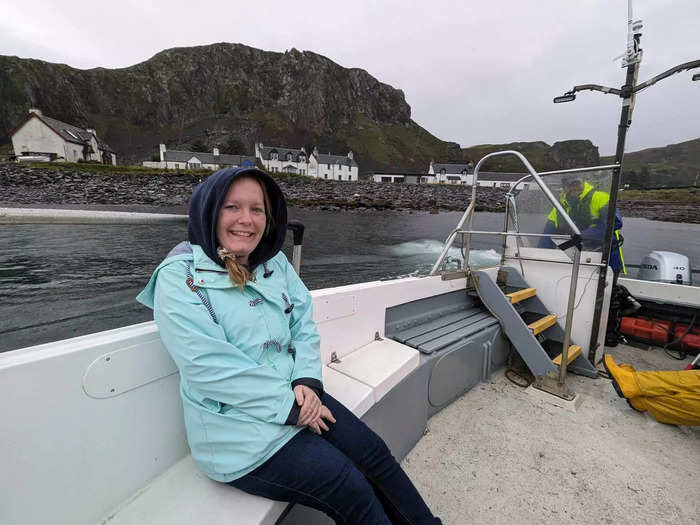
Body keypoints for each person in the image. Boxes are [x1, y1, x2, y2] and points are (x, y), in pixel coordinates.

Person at [136, 166, 441, 524]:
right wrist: (292, 408)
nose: (245, 220)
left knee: (373, 454)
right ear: (210, 210)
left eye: (257, 209)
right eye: (231, 207)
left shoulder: (274, 263)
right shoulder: (180, 280)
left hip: (296, 396)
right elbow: (207, 368)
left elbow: (302, 326)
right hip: (234, 435)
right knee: (349, 486)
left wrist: (307, 382)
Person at [538, 174, 627, 345]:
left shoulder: (600, 198)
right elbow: (547, 234)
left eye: (576, 183)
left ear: (583, 182)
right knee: (580, 294)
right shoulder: (559, 206)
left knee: (607, 296)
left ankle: (608, 334)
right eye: (569, 184)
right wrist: (540, 256)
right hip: (577, 258)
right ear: (564, 187)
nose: (573, 187)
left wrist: (580, 237)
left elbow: (613, 223)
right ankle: (579, 332)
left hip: (606, 257)